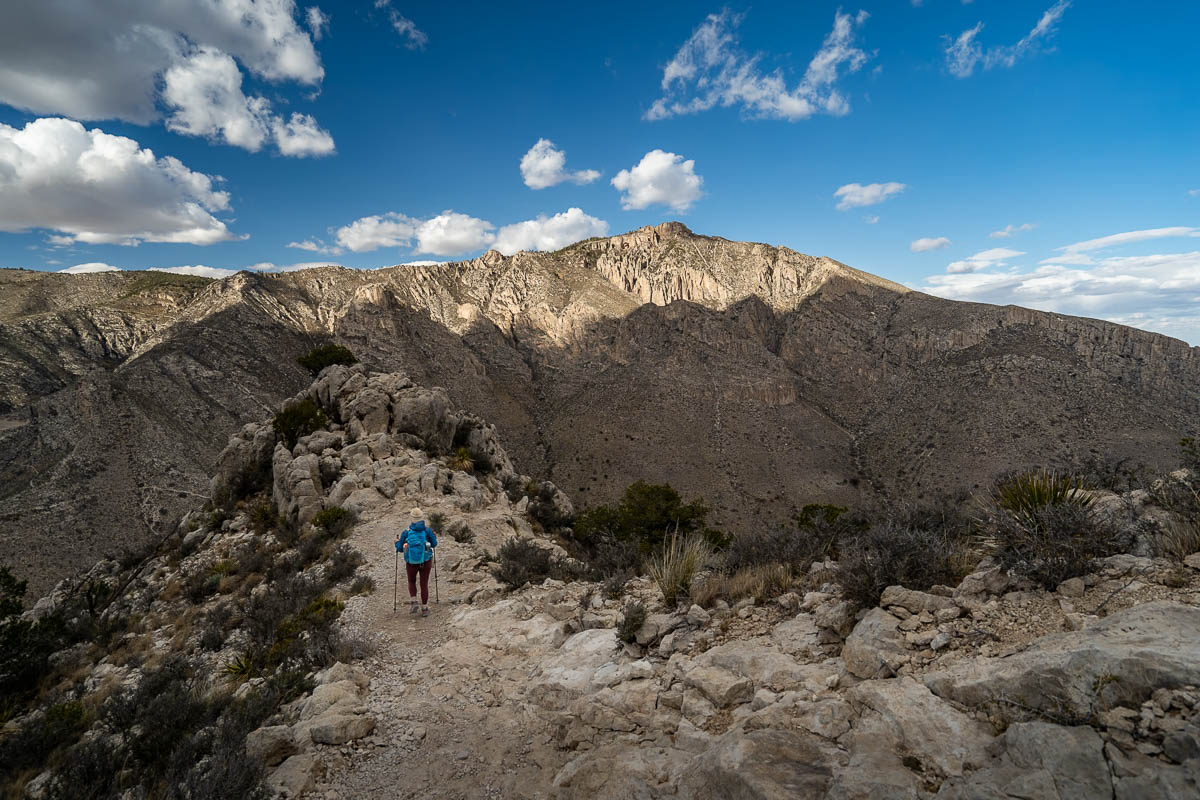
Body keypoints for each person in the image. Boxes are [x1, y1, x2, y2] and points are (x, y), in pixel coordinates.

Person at [398, 507, 437, 616]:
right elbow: (434, 544)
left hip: (411, 561)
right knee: (424, 584)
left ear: (411, 518)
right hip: (426, 560)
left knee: (411, 581)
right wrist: (433, 537)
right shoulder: (427, 530)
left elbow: (400, 549)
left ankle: (414, 601)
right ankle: (424, 608)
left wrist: (396, 542)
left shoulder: (406, 532)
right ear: (421, 518)